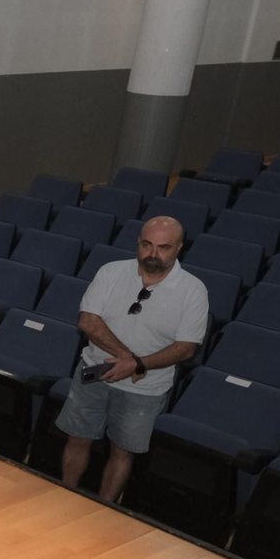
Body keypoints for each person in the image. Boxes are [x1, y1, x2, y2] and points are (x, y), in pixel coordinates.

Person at [58, 215, 207, 503]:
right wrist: (129, 359)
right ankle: (64, 496)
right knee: (77, 438)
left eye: (163, 247)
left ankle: (104, 508)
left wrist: (139, 365)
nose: (153, 254)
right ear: (137, 243)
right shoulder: (111, 272)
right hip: (94, 371)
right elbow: (88, 321)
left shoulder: (194, 291)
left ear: (179, 248)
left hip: (145, 388)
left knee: (122, 452)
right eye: (147, 245)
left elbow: (186, 348)